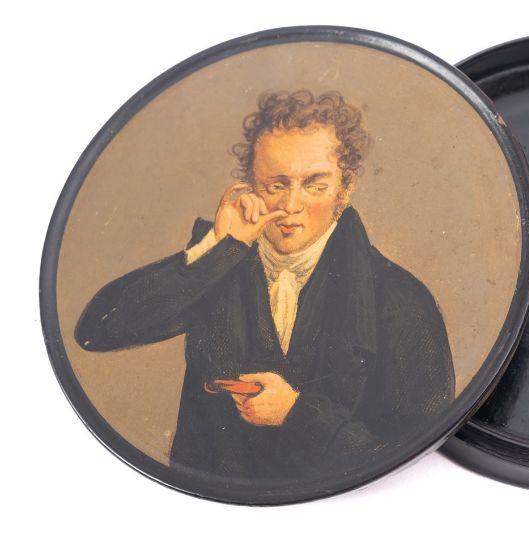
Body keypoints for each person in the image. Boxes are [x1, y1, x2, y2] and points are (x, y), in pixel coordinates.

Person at [75, 90, 455, 482]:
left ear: (344, 189)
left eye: (314, 185)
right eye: (276, 185)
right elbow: (96, 330)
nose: (291, 205)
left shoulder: (401, 300)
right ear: (251, 186)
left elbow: (417, 452)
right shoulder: (219, 265)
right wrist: (217, 248)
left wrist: (297, 413)